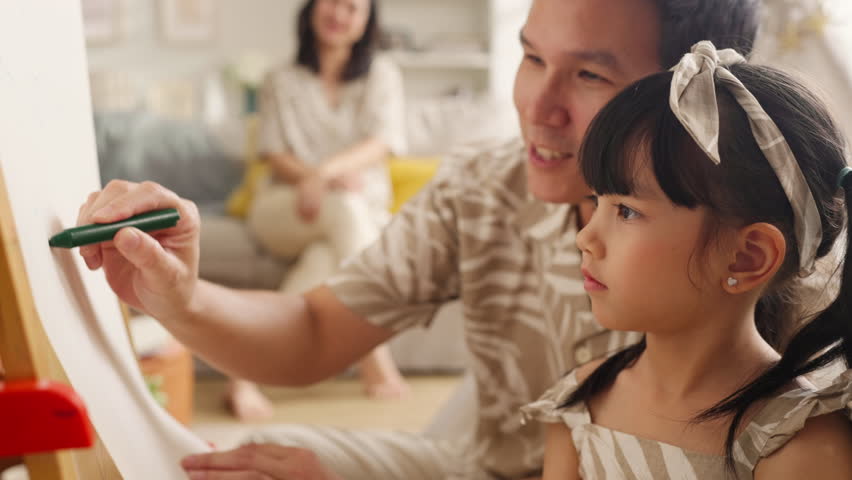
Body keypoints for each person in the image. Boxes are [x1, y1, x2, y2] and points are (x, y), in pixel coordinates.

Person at [76, 0, 770, 478]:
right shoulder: (482, 185)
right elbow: (316, 327)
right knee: (248, 460)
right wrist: (180, 297)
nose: (538, 106)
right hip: (480, 464)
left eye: (591, 74)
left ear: (700, 90)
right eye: (531, 58)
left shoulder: (758, 257)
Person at [524, 42, 852, 479]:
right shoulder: (582, 402)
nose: (586, 237)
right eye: (595, 200)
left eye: (626, 211)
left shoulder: (797, 444)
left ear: (748, 257)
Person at [227, 0, 411, 420]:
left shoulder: (382, 74)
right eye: (333, 1)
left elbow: (381, 143)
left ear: (366, 22)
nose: (340, 13)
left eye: (354, 7)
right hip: (285, 207)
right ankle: (373, 352)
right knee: (345, 216)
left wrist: (322, 175)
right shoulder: (280, 77)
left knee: (327, 257)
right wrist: (311, 182)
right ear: (312, 8)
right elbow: (273, 152)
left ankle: (242, 373)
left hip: (356, 209)